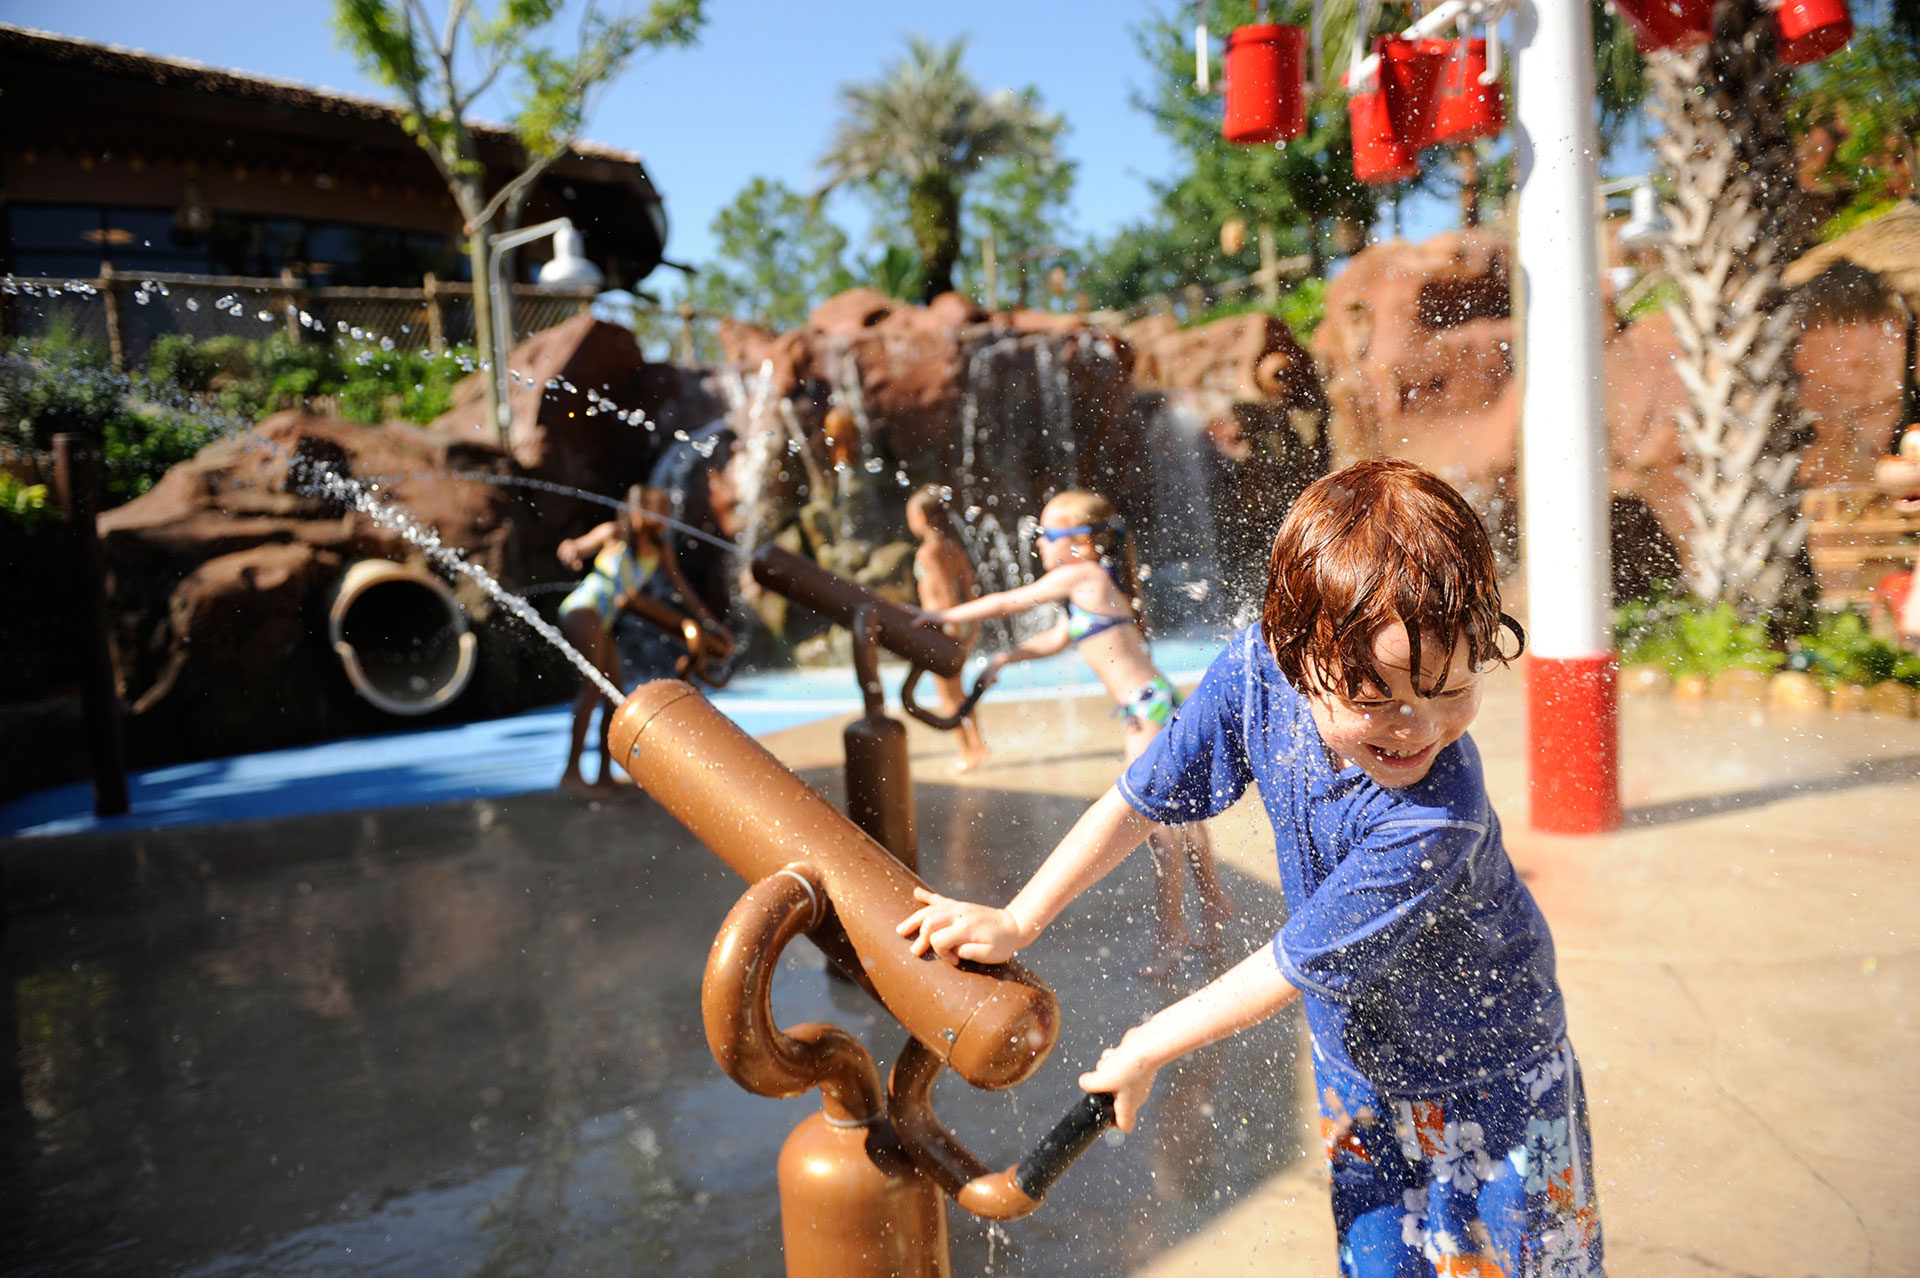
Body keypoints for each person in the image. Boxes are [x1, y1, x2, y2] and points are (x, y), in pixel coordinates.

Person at [899, 460, 1604, 1276]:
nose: (1420, 728)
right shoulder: (1254, 670)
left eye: (1453, 691)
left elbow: (1288, 964)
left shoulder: (1436, 818)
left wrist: (1148, 1044)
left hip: (1496, 1074)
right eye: (1376, 700)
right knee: (1380, 1265)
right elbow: (1142, 796)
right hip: (1358, 1063)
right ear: (1297, 650)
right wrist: (1019, 916)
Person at [915, 489, 1234, 979]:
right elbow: (1054, 640)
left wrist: (943, 617)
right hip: (1153, 704)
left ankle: (1172, 936)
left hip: (1146, 709)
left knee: (1157, 828)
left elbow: (1008, 601)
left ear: (1080, 542)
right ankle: (1213, 906)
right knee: (1181, 818)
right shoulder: (1090, 585)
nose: (1039, 545)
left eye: (1047, 535)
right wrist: (1007, 657)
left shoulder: (1082, 575)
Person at [555, 485, 718, 796]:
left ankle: (603, 773)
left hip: (601, 621)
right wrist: (571, 551)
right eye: (659, 509)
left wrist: (709, 623)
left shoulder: (660, 550)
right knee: (592, 688)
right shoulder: (613, 534)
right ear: (639, 509)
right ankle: (571, 772)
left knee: (614, 694)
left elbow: (684, 591)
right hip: (582, 610)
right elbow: (574, 545)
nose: (666, 516)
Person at [906, 485, 991, 772]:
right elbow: (969, 587)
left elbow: (944, 594)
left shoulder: (927, 553)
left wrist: (946, 627)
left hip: (940, 627)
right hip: (958, 624)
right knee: (960, 693)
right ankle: (978, 744)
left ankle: (968, 751)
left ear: (920, 517)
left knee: (948, 696)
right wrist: (972, 625)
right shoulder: (952, 547)